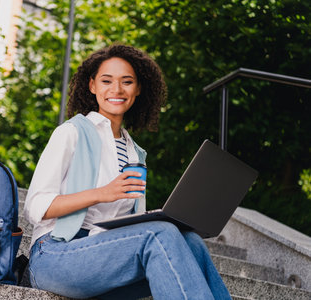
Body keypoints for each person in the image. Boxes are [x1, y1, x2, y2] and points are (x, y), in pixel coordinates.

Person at [24, 44, 231, 300]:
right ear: (92, 86)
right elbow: (35, 207)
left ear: (138, 89)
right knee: (160, 234)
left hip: (107, 257)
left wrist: (157, 217)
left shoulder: (136, 153)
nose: (117, 90)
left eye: (127, 82)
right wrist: (101, 193)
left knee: (191, 242)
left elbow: (130, 230)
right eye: (106, 81)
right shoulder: (72, 132)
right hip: (54, 255)